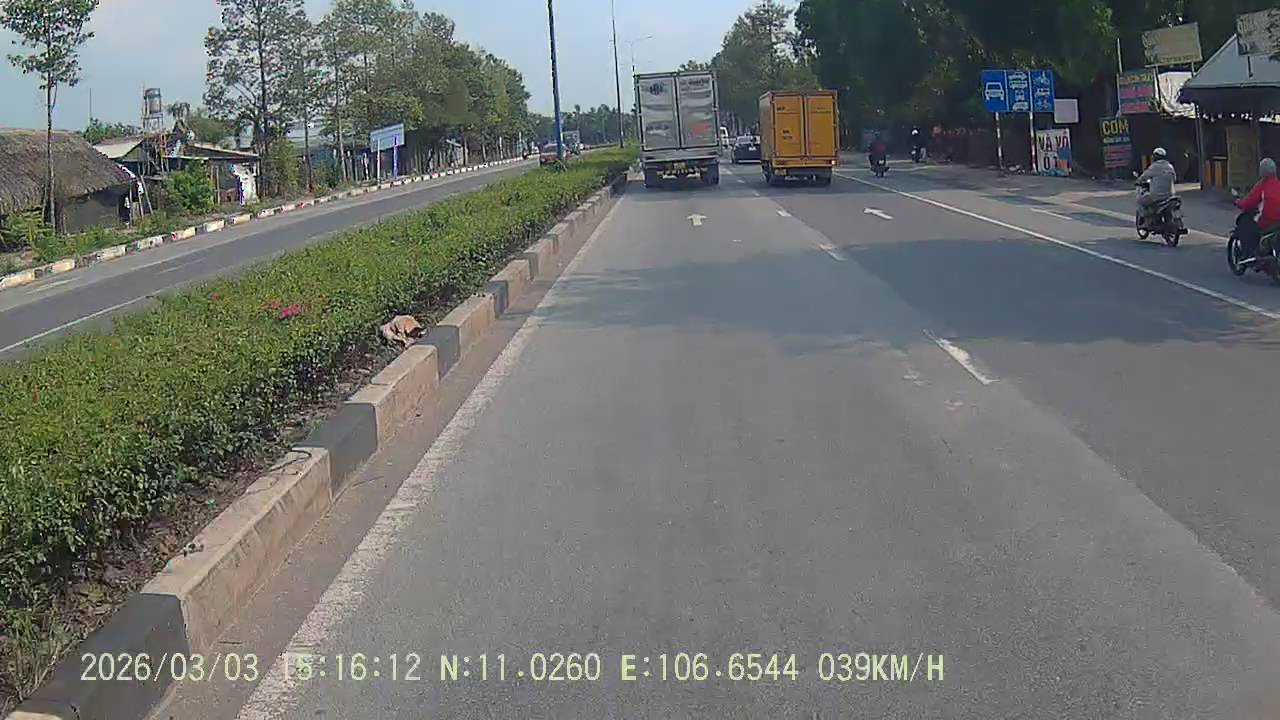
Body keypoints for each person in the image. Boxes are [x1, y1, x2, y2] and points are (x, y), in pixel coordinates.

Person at [1236, 157, 1280, 257]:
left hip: (1266, 221)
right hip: (1278, 222)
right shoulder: (1278, 184)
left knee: (1246, 225)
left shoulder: (1262, 186)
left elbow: (1248, 201)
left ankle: (1250, 253)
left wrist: (1239, 203)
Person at [1135, 147, 1177, 223]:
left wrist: (1138, 181)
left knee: (1140, 201)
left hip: (1156, 197)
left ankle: (1144, 219)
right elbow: (1174, 178)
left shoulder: (1154, 167)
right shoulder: (1170, 166)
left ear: (1155, 156)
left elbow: (1143, 177)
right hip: (1169, 196)